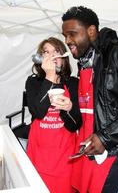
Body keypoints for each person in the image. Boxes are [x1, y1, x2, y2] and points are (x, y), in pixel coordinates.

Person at [62, 6, 118, 193]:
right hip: (90, 147)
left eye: (72, 34)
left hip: (114, 149)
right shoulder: (85, 60)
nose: (67, 41)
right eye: (65, 35)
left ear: (91, 31)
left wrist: (104, 137)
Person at [26, 37, 82, 193]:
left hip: (64, 157)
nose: (51, 57)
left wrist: (69, 107)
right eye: (46, 53)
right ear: (41, 59)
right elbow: (38, 112)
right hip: (39, 154)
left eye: (56, 52)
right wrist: (50, 77)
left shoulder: (73, 83)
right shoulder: (33, 83)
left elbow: (74, 125)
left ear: (63, 58)